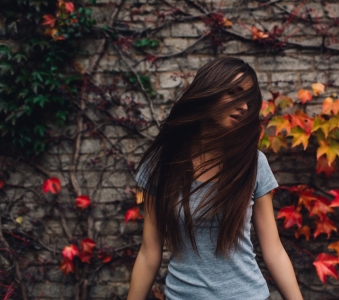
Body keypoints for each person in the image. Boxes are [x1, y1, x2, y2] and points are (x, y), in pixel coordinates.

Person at [127, 57, 303, 300]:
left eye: (249, 102)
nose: (244, 107)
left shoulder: (252, 162)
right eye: (235, 93)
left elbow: (274, 251)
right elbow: (148, 253)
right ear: (208, 91)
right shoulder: (162, 163)